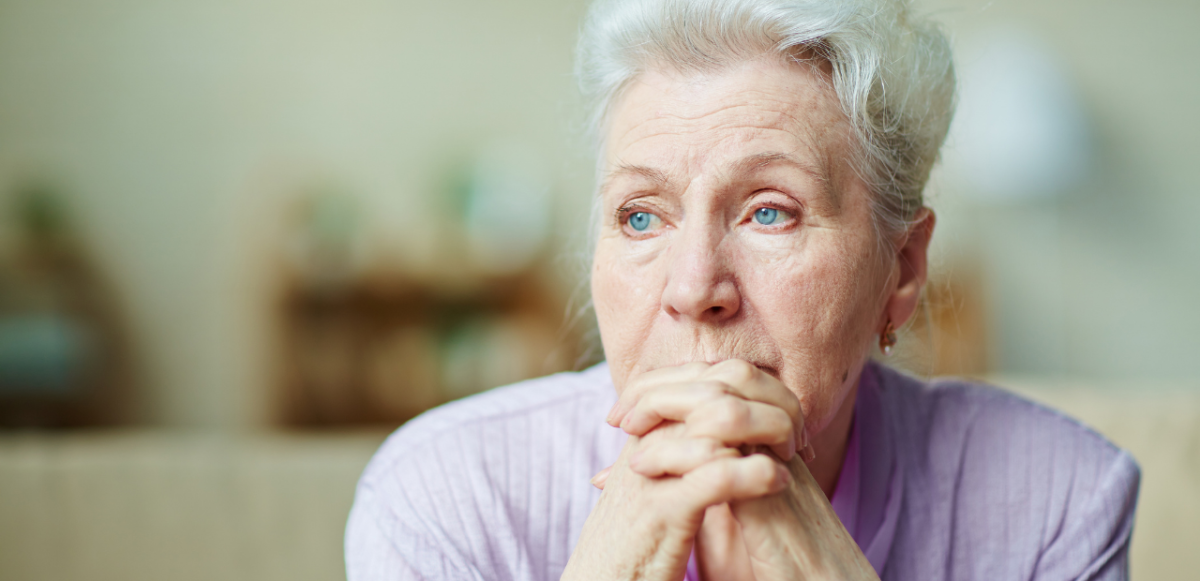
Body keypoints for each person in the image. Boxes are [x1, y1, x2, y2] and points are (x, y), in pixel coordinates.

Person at [344, 0, 1141, 578]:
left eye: (770, 212)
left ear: (900, 271)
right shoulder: (443, 499)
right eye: (640, 216)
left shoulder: (1056, 501)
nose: (694, 288)